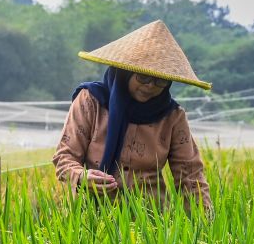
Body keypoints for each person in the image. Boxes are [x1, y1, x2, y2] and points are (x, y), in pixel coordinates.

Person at [53, 20, 213, 216]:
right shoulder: (91, 101)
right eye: (143, 77)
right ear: (124, 73)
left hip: (151, 219)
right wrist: (81, 176)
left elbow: (190, 176)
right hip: (91, 216)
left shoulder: (172, 116)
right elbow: (64, 157)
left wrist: (205, 226)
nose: (150, 86)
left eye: (160, 80)